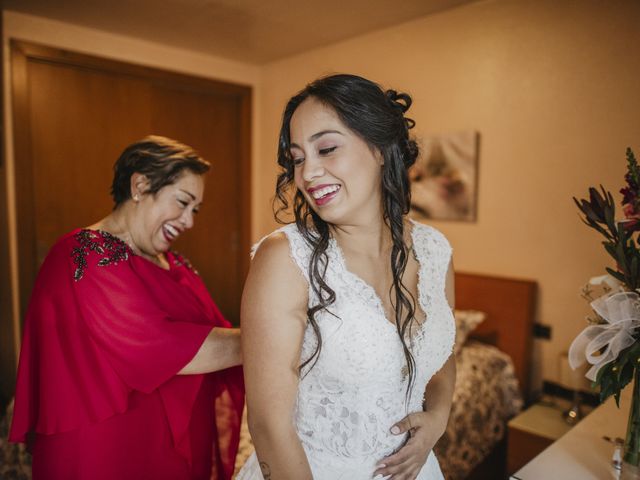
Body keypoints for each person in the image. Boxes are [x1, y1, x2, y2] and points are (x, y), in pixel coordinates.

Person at [238, 74, 456, 480]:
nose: (308, 174)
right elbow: (268, 426)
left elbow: (441, 356)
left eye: (326, 149)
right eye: (298, 158)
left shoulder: (434, 250)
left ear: (378, 149)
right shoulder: (285, 258)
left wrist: (437, 419)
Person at [9, 136, 244, 480]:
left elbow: (219, 331)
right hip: (106, 450)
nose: (189, 221)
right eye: (182, 202)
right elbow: (158, 346)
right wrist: (280, 335)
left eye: (195, 209)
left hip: (171, 448)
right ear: (139, 185)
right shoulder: (84, 254)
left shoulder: (176, 263)